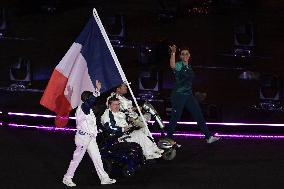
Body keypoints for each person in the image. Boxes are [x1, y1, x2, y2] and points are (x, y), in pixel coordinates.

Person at [62, 80, 116, 187]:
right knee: (77, 159)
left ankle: (104, 178)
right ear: (87, 99)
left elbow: (93, 120)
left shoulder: (89, 110)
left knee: (97, 158)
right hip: (83, 138)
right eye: (91, 98)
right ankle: (67, 178)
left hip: (90, 138)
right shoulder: (83, 108)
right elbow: (90, 102)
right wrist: (97, 91)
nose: (93, 101)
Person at [167, 45, 220, 143]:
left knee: (198, 114)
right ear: (181, 56)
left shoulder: (189, 66)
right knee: (175, 117)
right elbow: (172, 65)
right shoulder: (179, 65)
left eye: (187, 54)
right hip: (179, 95)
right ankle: (168, 139)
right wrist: (173, 53)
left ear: (189, 55)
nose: (185, 55)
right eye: (183, 54)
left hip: (188, 95)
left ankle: (208, 137)